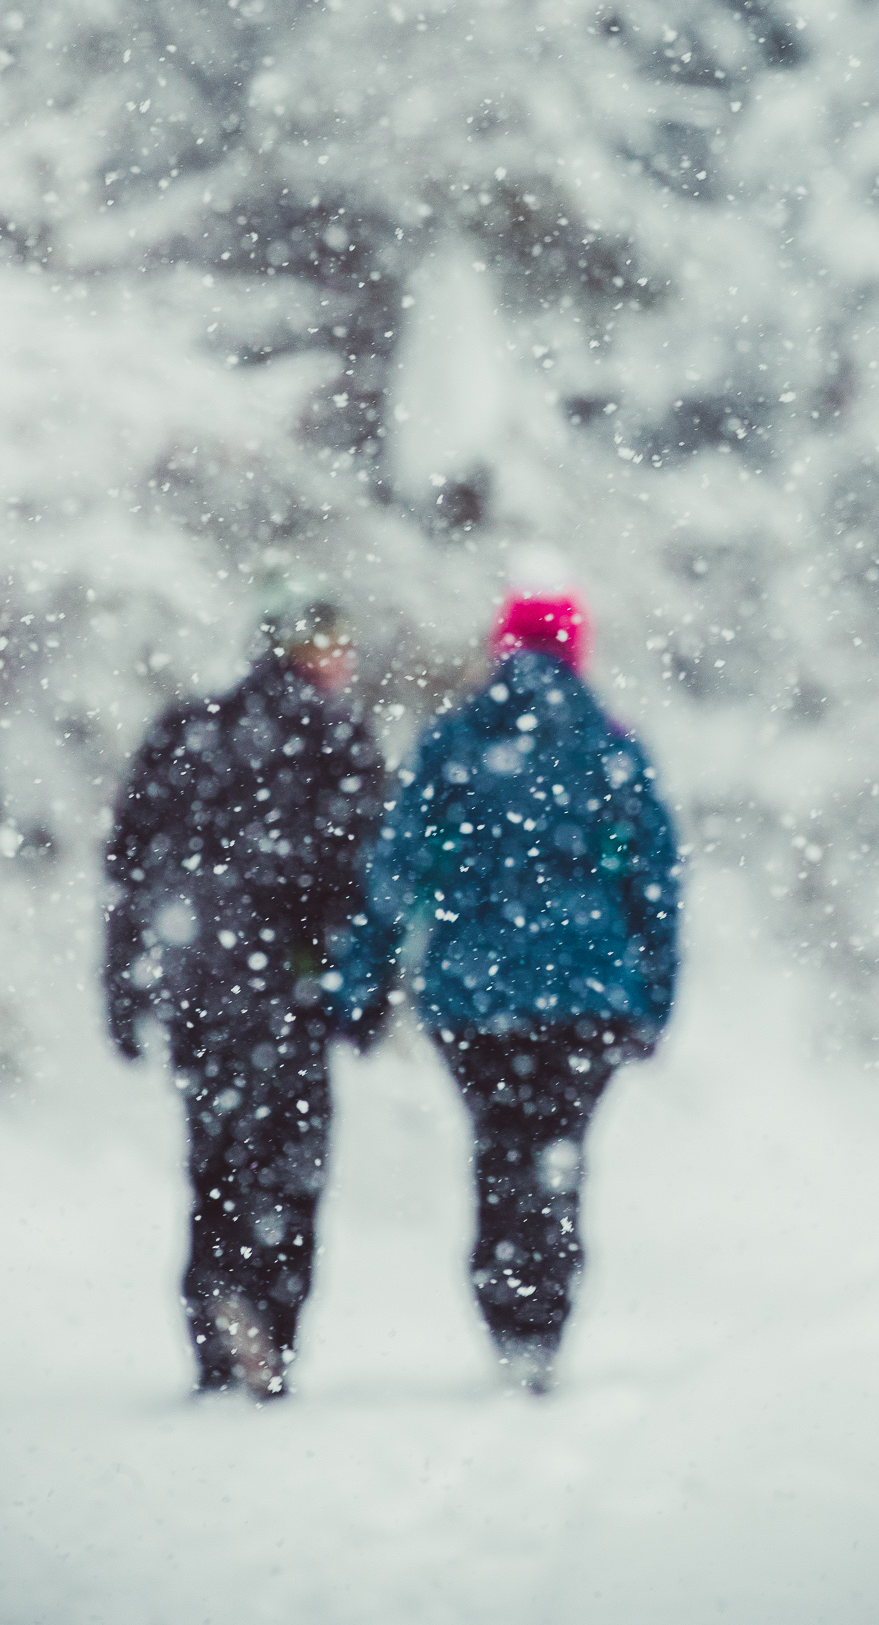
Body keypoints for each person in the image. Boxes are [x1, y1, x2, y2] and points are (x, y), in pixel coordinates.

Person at [343, 590, 680, 1392]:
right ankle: (544, 1318)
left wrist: (366, 978)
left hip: (473, 995)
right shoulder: (611, 747)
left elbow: (395, 871)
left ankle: (508, 1317)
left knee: (499, 1149)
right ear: (576, 650)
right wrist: (654, 995)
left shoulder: (453, 743)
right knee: (556, 1150)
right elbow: (654, 884)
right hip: (588, 994)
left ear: (500, 649)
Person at [103, 581, 387, 1400]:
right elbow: (369, 887)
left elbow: (129, 870)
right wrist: (362, 995)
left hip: (201, 986)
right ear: (306, 650)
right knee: (288, 1170)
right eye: (334, 643)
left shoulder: (191, 731)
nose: (344, 660)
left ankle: (217, 1316)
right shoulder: (339, 740)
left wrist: (124, 990)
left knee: (215, 1160)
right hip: (292, 991)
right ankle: (271, 1322)